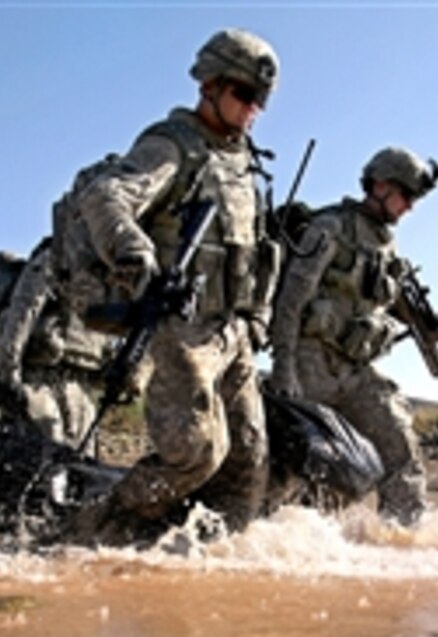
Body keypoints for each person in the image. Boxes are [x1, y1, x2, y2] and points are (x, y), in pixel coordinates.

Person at [66, 28, 282, 545]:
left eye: (262, 100)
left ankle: (209, 552)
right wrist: (134, 253)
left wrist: (255, 317)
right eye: (245, 95)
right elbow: (106, 196)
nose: (254, 109)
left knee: (249, 461)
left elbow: (251, 255)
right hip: (180, 328)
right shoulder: (173, 146)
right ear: (210, 85)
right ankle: (97, 526)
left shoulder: (241, 167)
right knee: (196, 453)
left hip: (231, 333)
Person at [269, 146, 438, 526]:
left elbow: (392, 302)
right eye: (406, 196)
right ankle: (278, 539)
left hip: (356, 372)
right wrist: (284, 368)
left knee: (401, 450)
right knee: (299, 465)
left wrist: (431, 327)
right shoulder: (331, 227)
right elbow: (291, 301)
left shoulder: (387, 247)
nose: (410, 208)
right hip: (309, 365)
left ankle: (402, 543)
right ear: (380, 186)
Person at [0, 241, 116, 453]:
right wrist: (10, 376)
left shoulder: (109, 271)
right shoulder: (54, 259)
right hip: (40, 382)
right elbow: (20, 317)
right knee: (46, 467)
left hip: (81, 387)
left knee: (84, 470)